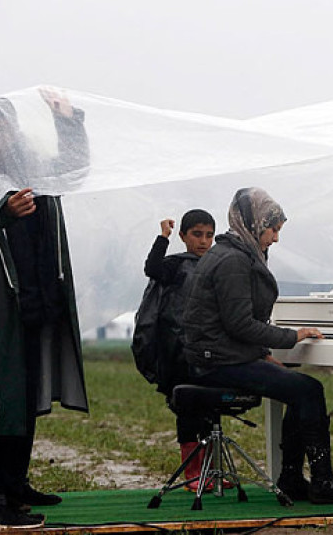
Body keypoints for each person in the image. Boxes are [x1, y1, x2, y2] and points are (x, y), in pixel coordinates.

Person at [181, 187, 333, 505]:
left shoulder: (233, 252)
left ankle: (292, 478)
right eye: (273, 229)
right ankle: (320, 481)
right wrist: (292, 336)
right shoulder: (234, 261)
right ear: (254, 224)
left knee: (299, 389)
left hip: (220, 356)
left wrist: (264, 354)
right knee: (308, 390)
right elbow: (239, 324)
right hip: (216, 364)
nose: (276, 238)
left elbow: (232, 323)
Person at [0, 91, 90, 530]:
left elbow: (73, 172)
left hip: (34, 302)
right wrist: (2, 213)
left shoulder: (29, 168)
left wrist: (69, 122)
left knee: (25, 397)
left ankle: (15, 484)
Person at [141, 210, 217, 491]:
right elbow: (152, 268)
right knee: (188, 411)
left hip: (209, 351)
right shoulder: (174, 265)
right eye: (197, 234)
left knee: (211, 410)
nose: (203, 241)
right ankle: (192, 473)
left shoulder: (216, 265)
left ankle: (212, 470)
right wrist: (163, 237)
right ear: (184, 236)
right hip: (178, 352)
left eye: (209, 235)